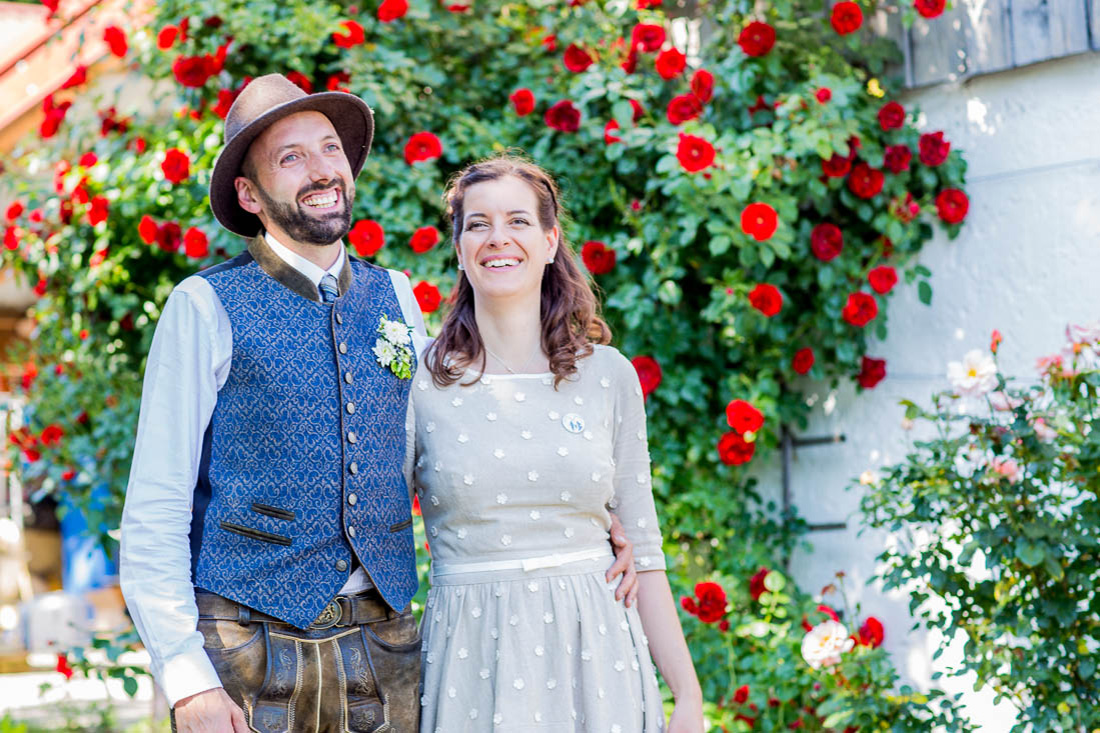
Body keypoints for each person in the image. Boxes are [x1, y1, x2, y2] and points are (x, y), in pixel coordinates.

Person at [119, 75, 637, 733]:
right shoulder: (204, 305)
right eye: (291, 157)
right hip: (248, 654)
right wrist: (186, 679)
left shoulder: (396, 296)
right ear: (249, 195)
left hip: (386, 651)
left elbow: (452, 449)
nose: (321, 169)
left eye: (329, 147)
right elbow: (154, 510)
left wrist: (587, 516)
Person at [413, 156, 704, 732]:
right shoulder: (420, 381)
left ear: (550, 242)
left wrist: (687, 698)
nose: (498, 238)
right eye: (478, 224)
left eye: (518, 221)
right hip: (471, 656)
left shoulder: (609, 376)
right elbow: (373, 531)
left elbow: (643, 555)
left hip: (598, 653)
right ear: (459, 246)